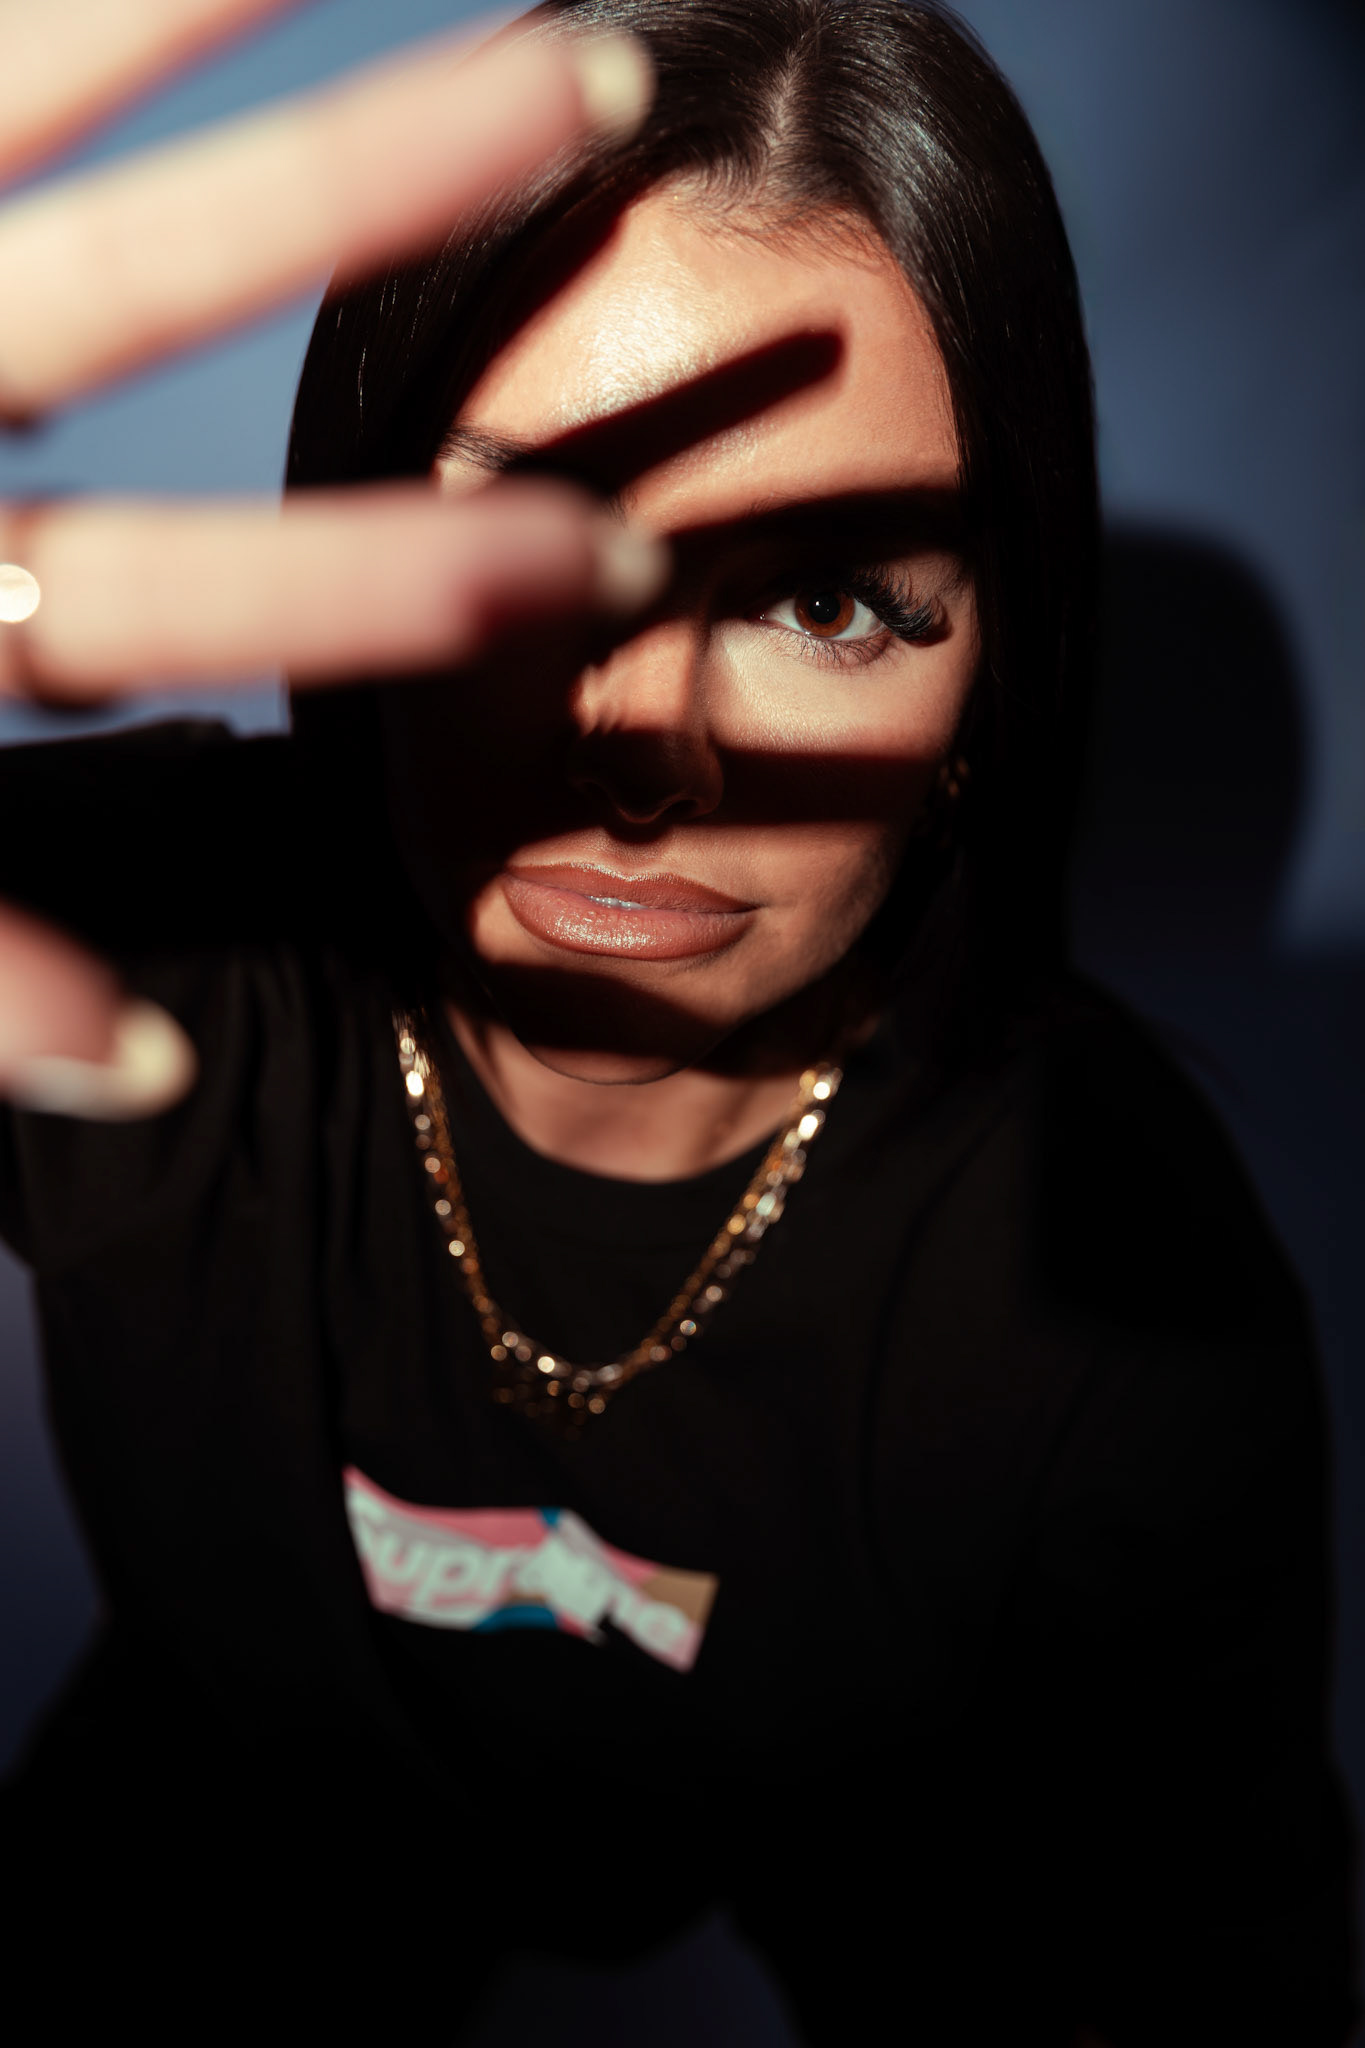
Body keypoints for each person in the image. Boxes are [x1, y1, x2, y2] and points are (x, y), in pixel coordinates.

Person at [0, 2, 1358, 2043]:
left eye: (825, 601)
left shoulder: (1117, 1301)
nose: (644, 740)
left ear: (987, 687)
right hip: (225, 1781)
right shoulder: (128, 938)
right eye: (524, 550)